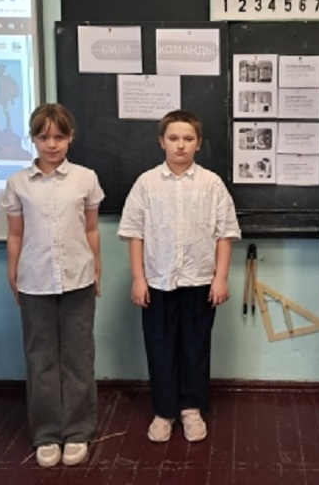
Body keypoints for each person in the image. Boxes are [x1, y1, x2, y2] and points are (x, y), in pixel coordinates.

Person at [118, 109, 240, 443]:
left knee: (195, 346)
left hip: (200, 281)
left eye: (188, 138)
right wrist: (138, 279)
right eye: (173, 138)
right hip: (157, 282)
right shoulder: (146, 183)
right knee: (160, 346)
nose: (181, 145)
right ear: (162, 141)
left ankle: (191, 408)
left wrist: (220, 278)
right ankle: (164, 411)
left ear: (198, 143)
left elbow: (225, 234)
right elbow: (134, 234)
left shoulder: (212, 184)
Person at [2, 103, 104, 468]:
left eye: (59, 136)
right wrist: (13, 273)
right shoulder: (18, 183)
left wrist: (97, 268)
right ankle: (46, 433)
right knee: (40, 358)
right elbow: (15, 234)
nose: (52, 144)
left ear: (71, 137)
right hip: (35, 280)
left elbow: (91, 228)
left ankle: (77, 430)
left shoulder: (85, 178)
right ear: (32, 139)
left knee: (78, 357)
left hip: (78, 278)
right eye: (43, 137)